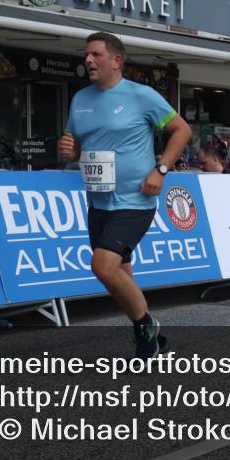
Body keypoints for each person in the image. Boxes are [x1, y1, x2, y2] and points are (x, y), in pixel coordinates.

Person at [58, 32, 191, 359]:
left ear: (116, 61)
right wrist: (69, 149)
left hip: (135, 200)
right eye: (86, 55)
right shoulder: (80, 99)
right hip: (98, 201)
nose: (88, 60)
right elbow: (76, 148)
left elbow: (182, 130)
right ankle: (156, 339)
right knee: (120, 276)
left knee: (103, 266)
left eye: (96, 54)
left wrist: (160, 170)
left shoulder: (141, 95)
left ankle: (147, 330)